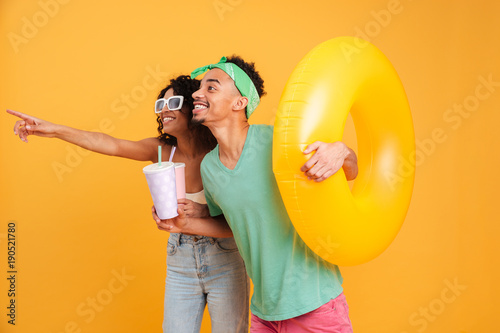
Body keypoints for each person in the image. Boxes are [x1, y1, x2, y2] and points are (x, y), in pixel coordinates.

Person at [6, 75, 250, 333]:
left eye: (173, 102)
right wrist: (54, 130)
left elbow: (242, 215)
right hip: (180, 259)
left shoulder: (221, 150)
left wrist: (204, 213)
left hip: (226, 259)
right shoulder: (161, 150)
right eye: (160, 105)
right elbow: (109, 143)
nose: (164, 110)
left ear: (193, 105)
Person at [154, 56, 358, 332]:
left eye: (211, 88)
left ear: (240, 103)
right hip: (264, 312)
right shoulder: (210, 167)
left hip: (314, 305)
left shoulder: (278, 142)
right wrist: (183, 224)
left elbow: (350, 170)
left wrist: (342, 151)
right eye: (199, 88)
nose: (197, 94)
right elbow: (230, 225)